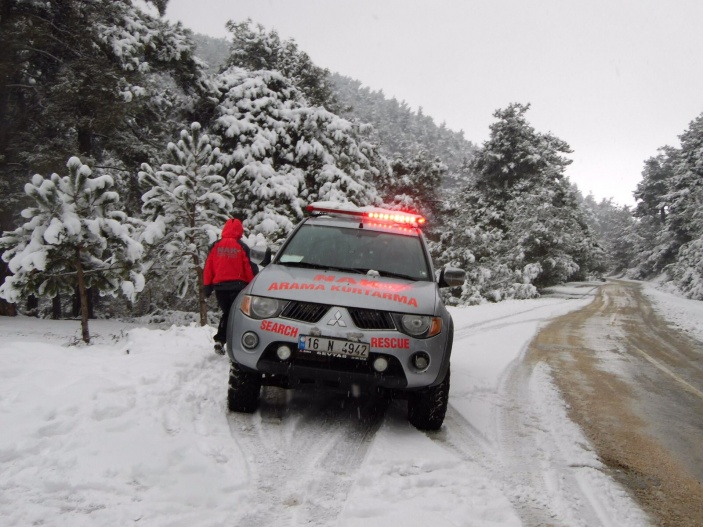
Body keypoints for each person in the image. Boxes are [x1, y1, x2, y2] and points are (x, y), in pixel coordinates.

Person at [203, 218, 255, 355]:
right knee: (237, 315)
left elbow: (209, 267)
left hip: (220, 287)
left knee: (227, 313)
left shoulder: (215, 246)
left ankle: (221, 339)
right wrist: (253, 286)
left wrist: (207, 286)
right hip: (238, 286)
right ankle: (236, 342)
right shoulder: (242, 247)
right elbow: (249, 268)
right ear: (239, 231)